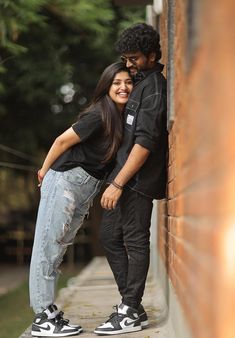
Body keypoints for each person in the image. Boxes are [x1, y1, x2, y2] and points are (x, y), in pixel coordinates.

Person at [29, 62, 133, 337]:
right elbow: (62, 141)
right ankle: (42, 317)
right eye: (117, 83)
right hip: (65, 180)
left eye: (128, 82)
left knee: (59, 247)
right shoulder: (100, 114)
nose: (123, 87)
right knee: (47, 246)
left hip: (83, 188)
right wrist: (43, 171)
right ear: (107, 87)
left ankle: (48, 310)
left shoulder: (122, 118)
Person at [94, 23, 168, 335]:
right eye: (125, 58)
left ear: (152, 55)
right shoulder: (139, 83)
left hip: (137, 181)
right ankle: (132, 306)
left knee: (135, 241)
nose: (129, 64)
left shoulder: (154, 89)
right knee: (110, 236)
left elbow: (145, 144)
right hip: (125, 177)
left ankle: (128, 309)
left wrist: (118, 183)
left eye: (134, 58)